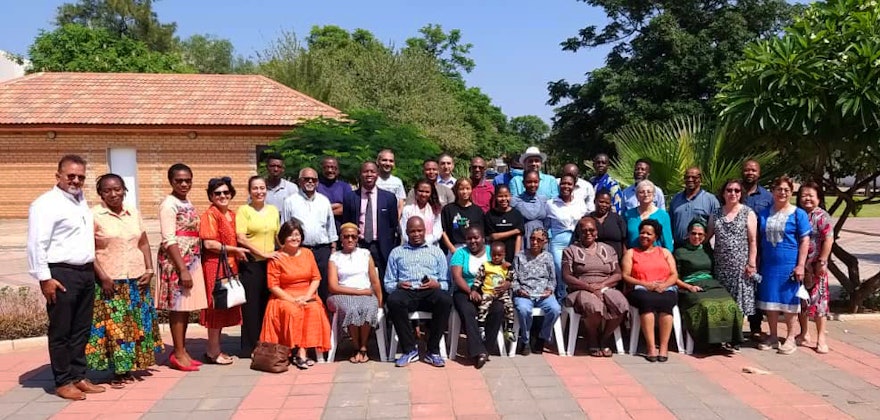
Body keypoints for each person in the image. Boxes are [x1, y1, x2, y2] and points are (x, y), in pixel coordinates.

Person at [27, 155, 106, 400]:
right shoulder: (45, 204)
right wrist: (44, 278)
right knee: (61, 330)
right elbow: (36, 243)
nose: (75, 180)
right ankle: (62, 381)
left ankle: (78, 375)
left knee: (82, 328)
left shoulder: (80, 200)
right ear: (58, 176)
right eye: (71, 176)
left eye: (80, 177)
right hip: (61, 274)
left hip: (84, 272)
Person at [87, 174, 162, 387]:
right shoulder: (94, 216)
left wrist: (149, 269)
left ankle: (131, 365)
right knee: (115, 328)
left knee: (135, 324)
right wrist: (102, 277)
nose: (113, 194)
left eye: (117, 189)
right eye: (107, 190)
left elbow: (144, 243)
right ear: (100, 193)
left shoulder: (133, 212)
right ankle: (119, 371)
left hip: (137, 279)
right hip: (111, 281)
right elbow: (88, 250)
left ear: (124, 190)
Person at [260, 219, 332, 369]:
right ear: (283, 238)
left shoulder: (307, 253)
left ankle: (303, 353)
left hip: (307, 293)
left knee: (313, 309)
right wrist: (293, 300)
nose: (294, 238)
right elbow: (273, 286)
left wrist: (307, 296)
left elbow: (316, 278)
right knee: (293, 311)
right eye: (290, 235)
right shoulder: (276, 257)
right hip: (283, 296)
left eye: (297, 235)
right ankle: (299, 353)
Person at [156, 163, 207, 372]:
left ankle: (183, 349)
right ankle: (177, 353)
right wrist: (182, 269)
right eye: (179, 180)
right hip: (177, 261)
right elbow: (168, 239)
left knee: (185, 307)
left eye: (187, 180)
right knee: (177, 308)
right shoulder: (168, 204)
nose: (184, 184)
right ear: (171, 181)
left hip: (191, 256)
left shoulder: (185, 201)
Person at [384, 217, 452, 368]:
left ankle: (433, 351)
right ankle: (409, 350)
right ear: (406, 233)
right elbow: (388, 284)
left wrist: (437, 284)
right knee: (393, 301)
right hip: (407, 291)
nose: (416, 234)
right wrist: (398, 284)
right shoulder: (396, 252)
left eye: (419, 230)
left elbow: (447, 283)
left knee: (445, 300)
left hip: (429, 291)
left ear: (425, 231)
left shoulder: (436, 252)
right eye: (412, 231)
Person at [756, 176, 811, 355]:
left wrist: (801, 265)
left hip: (789, 264)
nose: (782, 193)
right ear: (773, 191)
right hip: (769, 264)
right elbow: (757, 239)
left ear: (791, 192)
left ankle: (789, 338)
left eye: (786, 190)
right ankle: (772, 336)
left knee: (789, 301)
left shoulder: (798, 214)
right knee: (770, 300)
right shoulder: (764, 213)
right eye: (779, 189)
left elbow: (805, 240)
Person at [561, 217, 628, 357]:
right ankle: (592, 338)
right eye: (584, 230)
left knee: (621, 304)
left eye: (591, 230)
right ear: (578, 232)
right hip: (581, 288)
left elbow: (618, 274)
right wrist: (589, 287)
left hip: (605, 286)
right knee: (592, 306)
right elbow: (567, 276)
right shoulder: (570, 250)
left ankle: (604, 338)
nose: (588, 233)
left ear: (597, 232)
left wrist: (602, 285)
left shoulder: (608, 249)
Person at [200, 177, 249, 365]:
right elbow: (209, 243)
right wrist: (235, 250)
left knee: (224, 306)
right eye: (217, 193)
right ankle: (213, 351)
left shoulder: (233, 214)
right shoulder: (210, 215)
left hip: (230, 266)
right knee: (215, 307)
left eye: (226, 192)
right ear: (211, 196)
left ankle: (215, 348)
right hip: (215, 266)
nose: (222, 196)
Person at [674, 219, 744, 352]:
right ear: (688, 234)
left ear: (705, 236)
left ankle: (730, 340)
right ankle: (708, 342)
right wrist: (688, 287)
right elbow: (674, 277)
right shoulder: (680, 252)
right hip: (689, 286)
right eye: (693, 233)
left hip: (710, 284)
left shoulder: (707, 250)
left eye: (700, 234)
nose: (696, 237)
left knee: (730, 305)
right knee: (707, 306)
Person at [235, 175, 281, 358]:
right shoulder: (244, 211)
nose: (259, 192)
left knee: (266, 305)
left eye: (262, 188)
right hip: (251, 264)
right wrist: (262, 254)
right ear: (249, 191)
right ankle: (250, 347)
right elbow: (241, 238)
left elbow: (277, 236)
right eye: (255, 188)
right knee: (251, 308)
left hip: (270, 264)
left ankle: (265, 343)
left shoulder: (272, 210)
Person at [621, 219, 679, 362]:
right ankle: (651, 347)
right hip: (641, 289)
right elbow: (625, 275)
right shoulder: (631, 253)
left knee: (667, 302)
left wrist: (664, 285)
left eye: (649, 233)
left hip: (664, 288)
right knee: (647, 301)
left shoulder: (664, 252)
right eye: (642, 233)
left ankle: (664, 347)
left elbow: (674, 274)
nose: (644, 236)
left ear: (656, 237)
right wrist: (646, 284)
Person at [707, 179, 758, 339]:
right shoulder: (716, 213)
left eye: (736, 190)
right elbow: (708, 236)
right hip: (721, 266)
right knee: (724, 301)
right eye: (729, 190)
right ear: (723, 193)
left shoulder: (747, 212)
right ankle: (724, 334)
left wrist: (751, 262)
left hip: (740, 267)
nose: (733, 193)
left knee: (739, 303)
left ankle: (736, 337)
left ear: (741, 193)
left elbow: (752, 240)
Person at [327, 223, 384, 363]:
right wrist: (359, 292)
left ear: (358, 238)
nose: (350, 239)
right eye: (347, 237)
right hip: (341, 294)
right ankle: (355, 346)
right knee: (352, 308)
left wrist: (380, 302)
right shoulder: (335, 257)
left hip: (366, 293)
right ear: (341, 238)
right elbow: (333, 286)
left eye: (353, 236)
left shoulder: (365, 254)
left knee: (369, 307)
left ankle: (363, 347)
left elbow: (375, 281)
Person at [282, 167, 338, 302]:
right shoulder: (290, 201)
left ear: (317, 182)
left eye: (313, 179)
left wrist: (333, 250)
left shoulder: (324, 201)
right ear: (299, 181)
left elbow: (331, 228)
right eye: (306, 179)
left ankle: (325, 319)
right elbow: (284, 228)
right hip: (300, 250)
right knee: (304, 286)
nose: (310, 182)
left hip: (322, 250)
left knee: (324, 286)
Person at [342, 162, 400, 282]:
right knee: (359, 278)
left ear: (377, 174)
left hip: (380, 246)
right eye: (365, 171)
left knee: (382, 279)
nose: (369, 174)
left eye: (372, 171)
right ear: (360, 174)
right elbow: (346, 223)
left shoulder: (389, 198)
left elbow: (393, 224)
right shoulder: (350, 197)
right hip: (359, 244)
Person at [450, 227, 499, 368]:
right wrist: (471, 291)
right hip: (465, 291)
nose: (473, 241)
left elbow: (502, 270)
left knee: (498, 309)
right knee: (467, 310)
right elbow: (457, 276)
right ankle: (478, 352)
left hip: (489, 290)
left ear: (483, 238)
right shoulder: (460, 253)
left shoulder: (492, 251)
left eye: (476, 237)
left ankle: (486, 348)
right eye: (469, 238)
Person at [795, 181, 834, 354]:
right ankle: (804, 333)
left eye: (811, 195)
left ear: (818, 198)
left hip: (817, 266)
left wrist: (823, 261)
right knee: (802, 301)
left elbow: (828, 239)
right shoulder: (797, 215)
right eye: (804, 195)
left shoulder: (822, 216)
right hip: (801, 266)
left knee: (820, 303)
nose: (807, 199)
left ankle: (821, 339)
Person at [512, 229, 561, 355]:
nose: (534, 242)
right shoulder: (520, 256)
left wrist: (549, 290)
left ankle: (542, 337)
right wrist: (519, 290)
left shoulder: (548, 257)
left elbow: (552, 279)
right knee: (523, 309)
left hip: (543, 294)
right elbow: (513, 278)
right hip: (525, 293)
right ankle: (525, 339)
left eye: (538, 240)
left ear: (544, 242)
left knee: (555, 309)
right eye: (532, 238)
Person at [741, 160, 773, 336]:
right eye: (746, 170)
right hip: (736, 248)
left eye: (753, 170)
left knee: (756, 287)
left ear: (759, 173)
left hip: (760, 249)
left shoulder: (767, 197)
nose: (750, 173)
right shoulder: (735, 192)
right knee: (737, 286)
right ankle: (734, 328)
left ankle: (755, 327)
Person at [547, 174, 589, 300]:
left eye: (569, 184)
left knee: (576, 271)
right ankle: (561, 299)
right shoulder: (551, 203)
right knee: (560, 272)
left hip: (576, 241)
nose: (566, 186)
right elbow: (546, 224)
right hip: (558, 242)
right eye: (563, 183)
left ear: (574, 186)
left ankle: (574, 299)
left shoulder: (580, 202)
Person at [472, 242, 516, 342]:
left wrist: (510, 268)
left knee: (509, 306)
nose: (496, 257)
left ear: (504, 255)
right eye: (494, 255)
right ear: (490, 254)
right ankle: (481, 327)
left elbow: (511, 279)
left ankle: (509, 329)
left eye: (499, 255)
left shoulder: (505, 267)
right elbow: (478, 279)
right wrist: (474, 290)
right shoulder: (486, 265)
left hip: (501, 294)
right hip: (488, 292)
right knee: (483, 306)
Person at [670, 167, 720, 246]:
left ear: (700, 179)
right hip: (678, 248)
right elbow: (671, 223)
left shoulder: (711, 200)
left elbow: (716, 225)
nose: (690, 179)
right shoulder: (676, 199)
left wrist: (704, 241)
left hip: (701, 249)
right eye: (687, 177)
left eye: (694, 177)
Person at [624, 180, 674, 251]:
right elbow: (624, 239)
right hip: (633, 257)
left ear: (654, 195)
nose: (645, 194)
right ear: (636, 196)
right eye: (642, 192)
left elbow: (668, 243)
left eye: (649, 192)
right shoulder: (628, 214)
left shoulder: (663, 216)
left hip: (655, 258)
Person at [441, 178, 485, 255]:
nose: (465, 192)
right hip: (454, 248)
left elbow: (482, 233)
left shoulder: (478, 210)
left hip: (474, 248)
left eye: (468, 188)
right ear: (456, 191)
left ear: (471, 189)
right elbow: (443, 231)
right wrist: (452, 249)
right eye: (461, 189)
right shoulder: (448, 209)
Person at [484, 184, 524, 263]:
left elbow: (519, 237)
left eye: (506, 196)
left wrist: (516, 257)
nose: (504, 199)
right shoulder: (490, 215)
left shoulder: (517, 214)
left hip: (511, 253)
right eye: (500, 196)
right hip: (495, 256)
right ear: (495, 197)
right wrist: (514, 231)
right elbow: (493, 236)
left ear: (510, 196)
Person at [511, 170, 550, 251]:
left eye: (535, 182)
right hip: (524, 238)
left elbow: (547, 220)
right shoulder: (515, 201)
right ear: (523, 183)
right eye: (529, 182)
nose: (533, 185)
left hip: (541, 238)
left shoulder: (543, 199)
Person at [400, 179, 443, 247]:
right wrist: (416, 241)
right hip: (411, 247)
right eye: (421, 191)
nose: (423, 194)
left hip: (431, 246)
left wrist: (425, 241)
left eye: (427, 192)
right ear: (415, 191)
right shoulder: (407, 210)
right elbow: (404, 231)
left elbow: (438, 231)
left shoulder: (435, 210)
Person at [588, 190, 627, 258]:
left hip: (616, 261)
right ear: (595, 201)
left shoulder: (617, 219)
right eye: (601, 202)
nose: (604, 205)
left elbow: (625, 242)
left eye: (607, 203)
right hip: (593, 262)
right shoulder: (587, 220)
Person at [317, 156, 350, 232]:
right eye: (326, 167)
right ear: (322, 169)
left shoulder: (345, 187)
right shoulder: (316, 186)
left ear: (338, 170)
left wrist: (325, 211)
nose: (330, 170)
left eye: (333, 167)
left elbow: (347, 209)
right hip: (321, 229)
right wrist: (337, 206)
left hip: (340, 230)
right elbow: (314, 209)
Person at [376, 149, 406, 214]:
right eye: (384, 160)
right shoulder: (372, 180)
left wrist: (396, 220)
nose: (388, 163)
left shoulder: (397, 182)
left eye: (391, 161)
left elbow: (401, 204)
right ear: (377, 162)